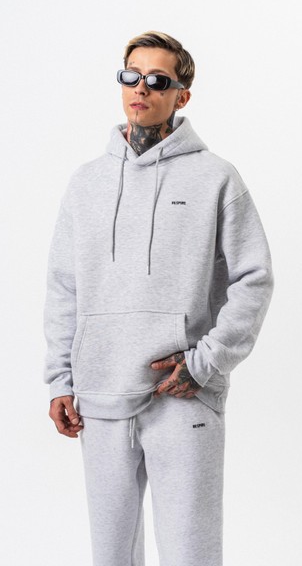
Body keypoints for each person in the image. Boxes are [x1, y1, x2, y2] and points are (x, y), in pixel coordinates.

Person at [43, 30, 274, 566]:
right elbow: (63, 286)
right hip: (100, 397)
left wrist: (206, 362)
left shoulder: (216, 178)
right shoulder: (86, 183)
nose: (141, 88)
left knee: (191, 554)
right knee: (111, 555)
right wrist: (60, 380)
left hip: (182, 395)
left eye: (157, 80)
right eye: (131, 76)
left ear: (181, 95)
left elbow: (254, 278)